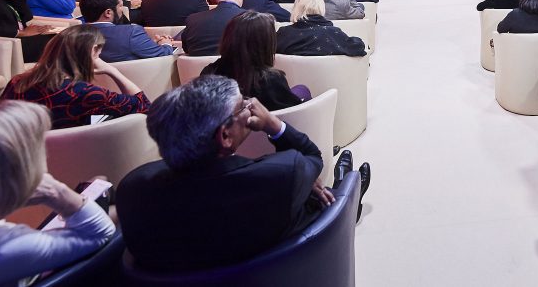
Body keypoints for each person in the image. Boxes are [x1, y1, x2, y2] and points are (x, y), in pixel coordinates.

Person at [116, 75, 370, 272]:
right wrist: (273, 125)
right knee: (325, 193)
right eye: (243, 106)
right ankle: (347, 194)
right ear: (225, 135)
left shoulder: (132, 190)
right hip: (286, 270)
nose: (250, 107)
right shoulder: (281, 174)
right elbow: (313, 157)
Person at [0, 100, 116, 286]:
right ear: (18, 174)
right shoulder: (2, 246)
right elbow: (100, 233)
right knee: (121, 212)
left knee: (99, 184)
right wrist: (55, 191)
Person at [1, 25, 150, 128]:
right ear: (93, 50)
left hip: (23, 152)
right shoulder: (86, 93)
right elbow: (143, 105)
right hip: (76, 152)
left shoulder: (17, 81)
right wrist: (113, 71)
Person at [202, 11, 305, 110]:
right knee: (303, 90)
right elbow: (292, 114)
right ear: (264, 45)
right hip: (269, 122)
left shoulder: (209, 73)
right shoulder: (272, 81)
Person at [80, 0, 176, 62]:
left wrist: (149, 44)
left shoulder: (72, 35)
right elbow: (164, 54)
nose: (122, 10)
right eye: (120, 6)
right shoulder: (131, 32)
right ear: (108, 13)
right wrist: (166, 44)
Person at [276, 0, 368, 57]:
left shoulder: (283, 33)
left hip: (290, 79)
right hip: (330, 79)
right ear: (321, 7)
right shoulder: (333, 33)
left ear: (296, 8)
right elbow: (358, 46)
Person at [181, 0, 248, 56]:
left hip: (199, 64)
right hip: (238, 64)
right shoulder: (250, 19)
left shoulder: (193, 20)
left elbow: (186, 49)